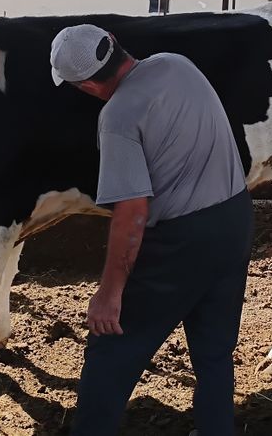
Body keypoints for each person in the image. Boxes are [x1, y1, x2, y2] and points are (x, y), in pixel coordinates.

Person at [50, 24, 254, 436]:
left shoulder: (118, 117)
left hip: (181, 243)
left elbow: (131, 213)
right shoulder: (177, 64)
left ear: (87, 84)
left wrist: (109, 294)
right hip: (235, 220)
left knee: (111, 348)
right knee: (214, 353)